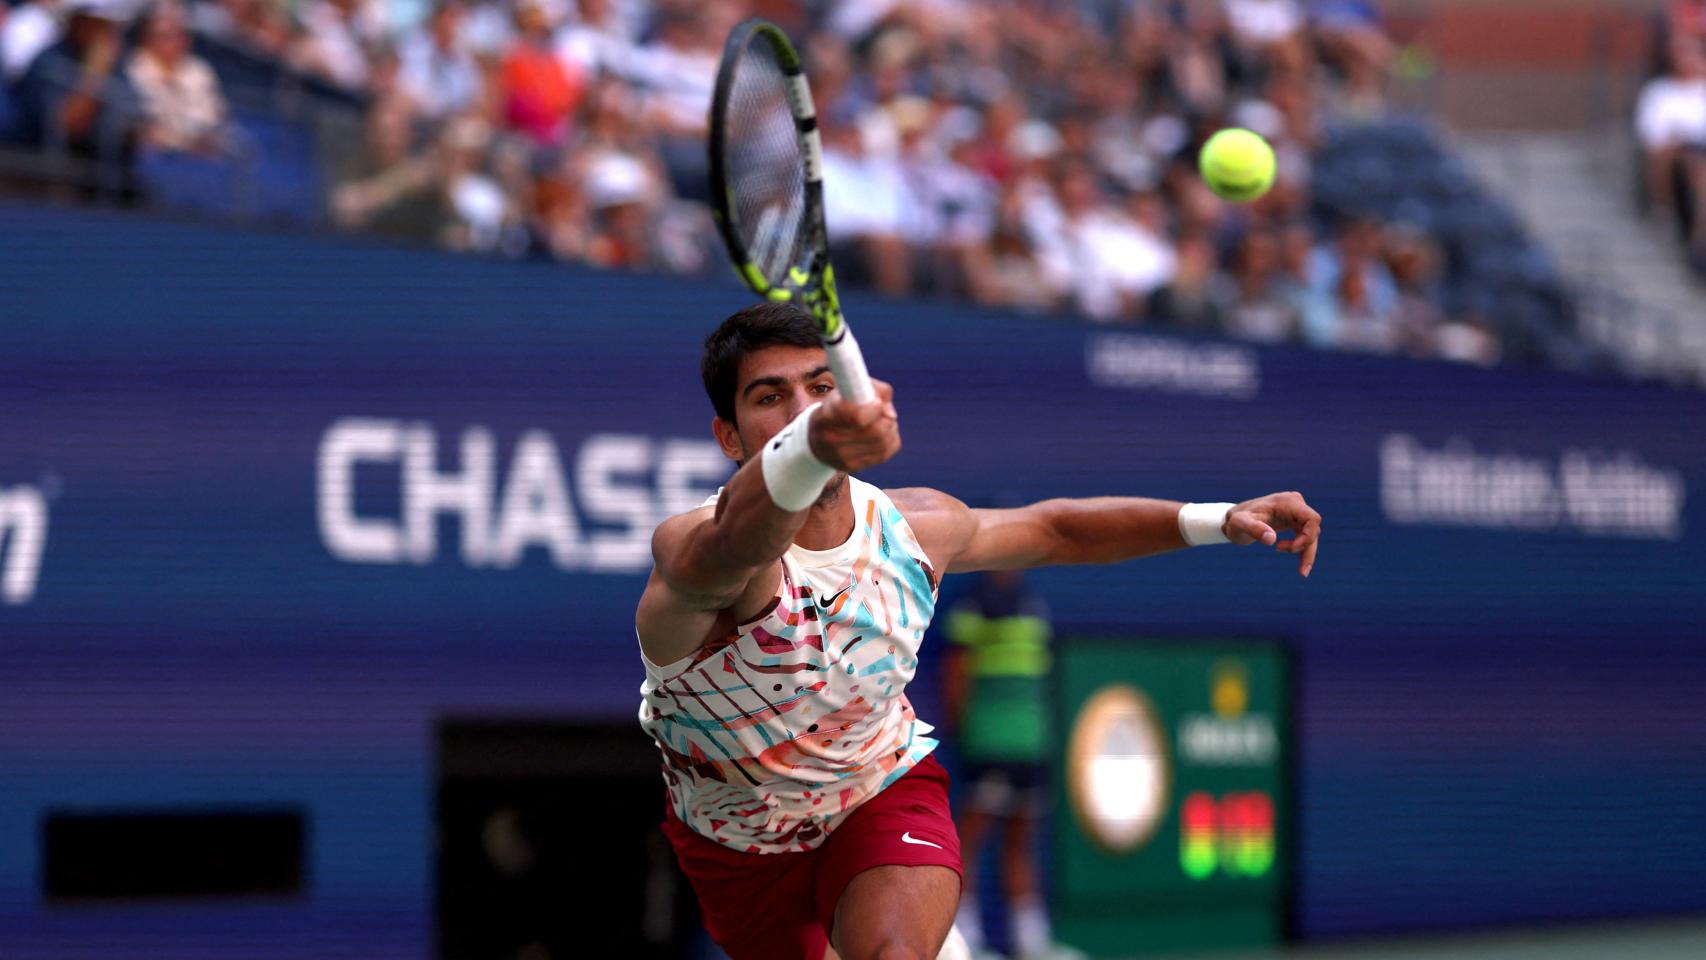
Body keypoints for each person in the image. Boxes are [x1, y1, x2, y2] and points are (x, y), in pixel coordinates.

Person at [635, 303, 1323, 960]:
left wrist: (1219, 516)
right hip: (737, 845)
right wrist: (812, 443)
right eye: (769, 398)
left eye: (819, 388)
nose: (799, 409)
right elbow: (733, 548)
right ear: (729, 436)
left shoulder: (914, 528)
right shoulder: (695, 545)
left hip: (879, 790)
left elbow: (1057, 530)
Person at [943, 569, 1083, 960]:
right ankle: (964, 944)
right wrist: (965, 732)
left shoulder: (1032, 604)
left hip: (1031, 745)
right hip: (988, 742)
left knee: (1021, 844)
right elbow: (956, 673)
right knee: (968, 841)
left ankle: (1032, 944)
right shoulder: (972, 606)